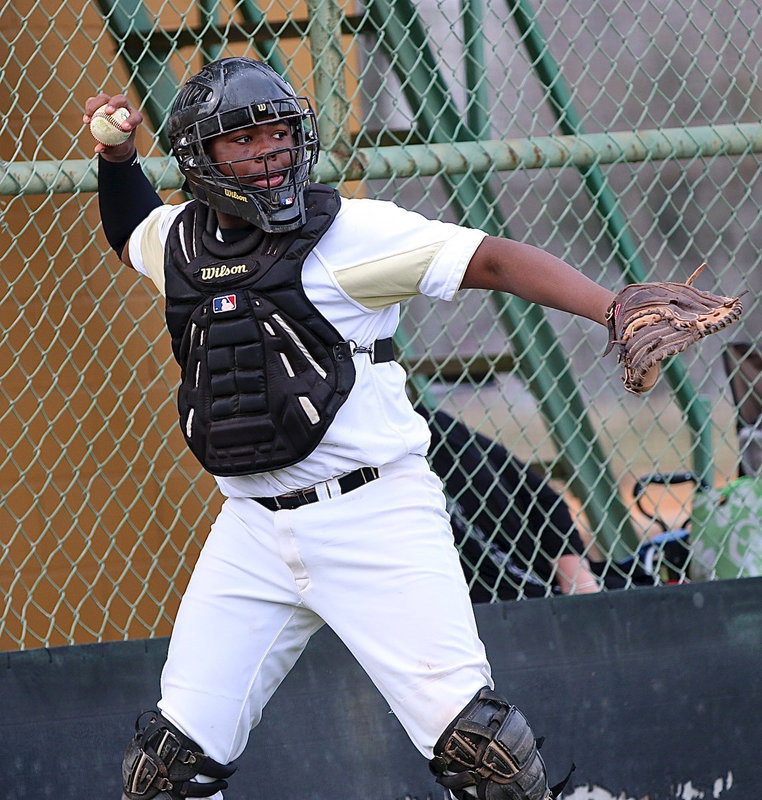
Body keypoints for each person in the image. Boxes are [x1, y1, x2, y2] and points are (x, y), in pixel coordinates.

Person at [83, 57, 645, 800]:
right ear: (199, 156)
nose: (271, 152)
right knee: (165, 771)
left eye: (282, 134)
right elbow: (130, 230)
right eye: (245, 140)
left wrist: (614, 307)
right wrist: (117, 157)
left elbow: (497, 261)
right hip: (251, 531)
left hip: (373, 516)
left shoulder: (352, 233)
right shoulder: (181, 243)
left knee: (485, 759)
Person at [424, 409, 601, 601]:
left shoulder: (431, 425)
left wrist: (577, 581)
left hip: (549, 583)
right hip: (482, 611)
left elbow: (537, 494)